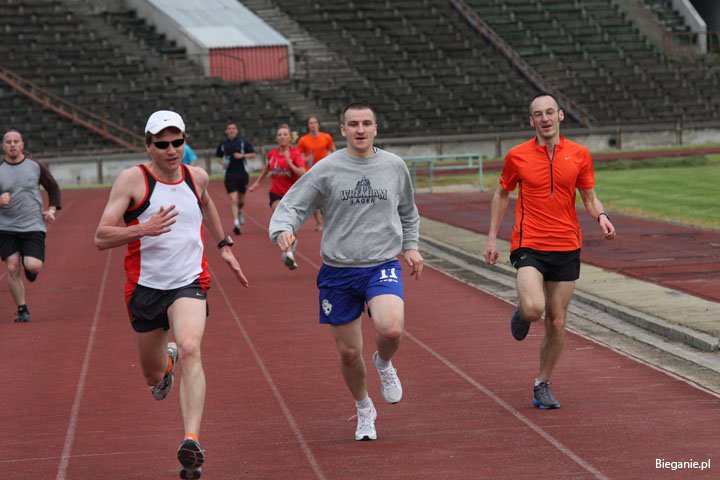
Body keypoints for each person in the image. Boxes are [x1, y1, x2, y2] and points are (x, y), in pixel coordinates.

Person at [94, 110, 249, 479]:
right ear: (148, 145)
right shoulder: (133, 180)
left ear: (185, 141)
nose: (171, 150)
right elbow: (101, 237)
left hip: (189, 281)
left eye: (177, 142)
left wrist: (224, 245)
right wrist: (142, 229)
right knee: (152, 375)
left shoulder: (196, 176)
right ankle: (166, 363)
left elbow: (206, 202)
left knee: (192, 347)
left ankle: (191, 440)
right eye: (162, 144)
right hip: (145, 288)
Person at [269, 102, 424, 441]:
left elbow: (408, 211)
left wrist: (410, 246)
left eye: (367, 123)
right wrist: (284, 229)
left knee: (391, 329)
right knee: (349, 352)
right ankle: (364, 407)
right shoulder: (327, 169)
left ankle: (384, 363)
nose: (360, 130)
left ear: (376, 128)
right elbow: (294, 203)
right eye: (353, 124)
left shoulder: (394, 166)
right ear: (342, 130)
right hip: (338, 270)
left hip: (381, 263)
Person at [482, 93, 616, 410]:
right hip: (529, 243)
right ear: (531, 121)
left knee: (556, 322)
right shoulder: (517, 156)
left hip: (567, 245)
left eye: (550, 112)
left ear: (560, 115)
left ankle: (542, 383)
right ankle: (522, 312)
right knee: (533, 309)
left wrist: (601, 216)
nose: (545, 118)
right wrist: (492, 238)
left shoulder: (580, 154)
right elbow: (502, 194)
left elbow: (589, 196)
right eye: (538, 114)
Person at [0, 130, 62, 323]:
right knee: (11, 266)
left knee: (34, 266)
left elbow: (53, 187)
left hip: (32, 224)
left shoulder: (35, 166)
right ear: (3, 146)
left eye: (15, 141)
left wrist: (51, 209)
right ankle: (22, 309)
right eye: (8, 142)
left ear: (22, 144)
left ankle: (29, 269)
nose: (12, 145)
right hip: (6, 226)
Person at [248, 124, 306, 270]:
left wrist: (290, 163)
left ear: (290, 138)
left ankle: (288, 249)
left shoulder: (295, 154)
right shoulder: (272, 154)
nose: (282, 137)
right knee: (283, 219)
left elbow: (303, 173)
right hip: (276, 194)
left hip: (292, 196)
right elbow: (267, 168)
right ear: (276, 138)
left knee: (290, 225)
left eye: (285, 134)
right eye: (279, 135)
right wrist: (257, 182)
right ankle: (289, 253)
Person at [215, 123, 256, 235]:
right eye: (229, 129)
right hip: (229, 174)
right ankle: (236, 223)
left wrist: (243, 156)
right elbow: (218, 157)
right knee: (233, 199)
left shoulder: (243, 142)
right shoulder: (223, 144)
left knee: (241, 201)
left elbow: (253, 154)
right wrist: (222, 162)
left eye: (233, 128)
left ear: (237, 131)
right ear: (226, 131)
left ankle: (240, 210)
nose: (231, 130)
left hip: (242, 174)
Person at [296, 116, 336, 231]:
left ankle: (327, 218)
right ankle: (319, 221)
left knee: (328, 195)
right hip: (311, 171)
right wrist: (305, 158)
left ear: (318, 124)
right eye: (311, 123)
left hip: (325, 169)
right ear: (308, 126)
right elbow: (297, 156)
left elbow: (333, 150)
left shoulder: (326, 137)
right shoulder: (303, 140)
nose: (313, 125)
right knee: (314, 196)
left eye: (315, 122)